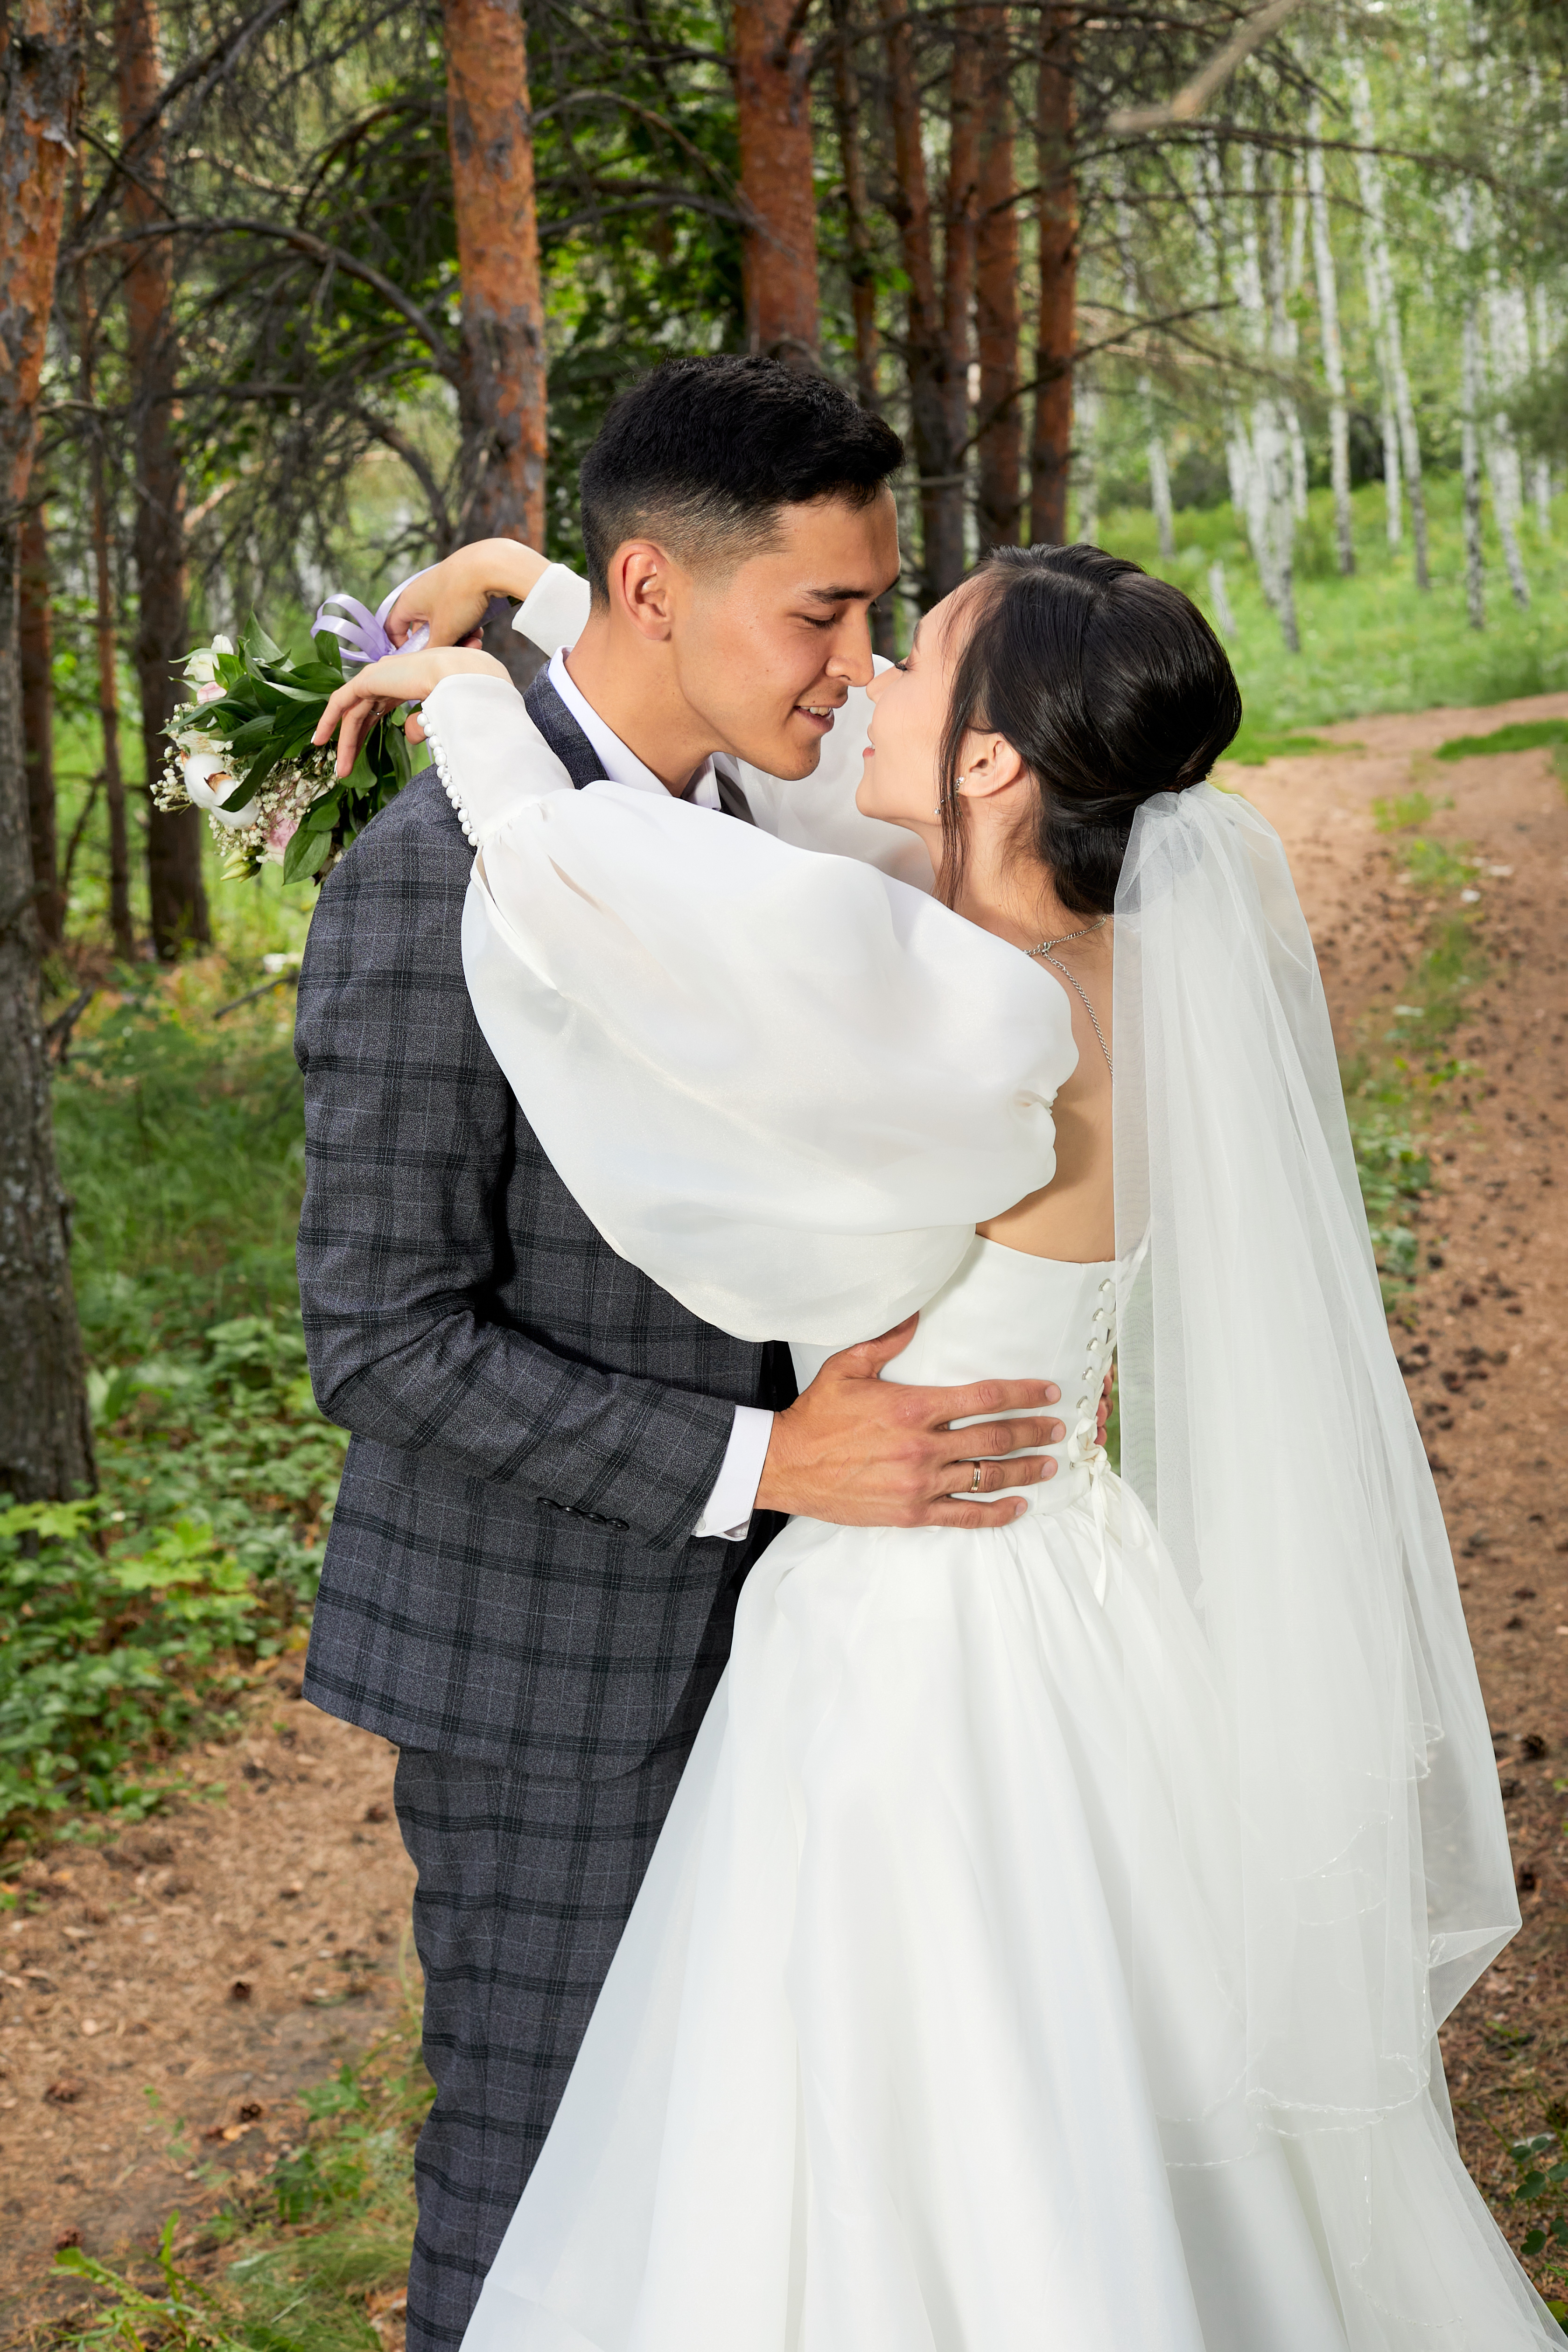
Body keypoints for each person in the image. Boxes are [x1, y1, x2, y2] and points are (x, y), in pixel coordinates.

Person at [321, 528, 1551, 2345]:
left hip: (919, 1634)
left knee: (911, 2119)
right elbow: (752, 801)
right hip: (1072, 1589)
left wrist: (483, 723)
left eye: (914, 655)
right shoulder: (1085, 961)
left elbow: (634, 912)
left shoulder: (983, 1014)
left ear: (987, 759)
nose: (865, 674)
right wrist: (544, 591)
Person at [294, 357, 1093, 2352]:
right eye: (822, 612)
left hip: (832, 1656)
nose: (859, 666)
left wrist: (517, 583)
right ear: (659, 589)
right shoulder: (432, 879)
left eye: (875, 612)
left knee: (770, 2199)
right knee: (553, 2192)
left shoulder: (763, 820)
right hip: (557, 1662)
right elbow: (382, 1341)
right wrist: (766, 1467)